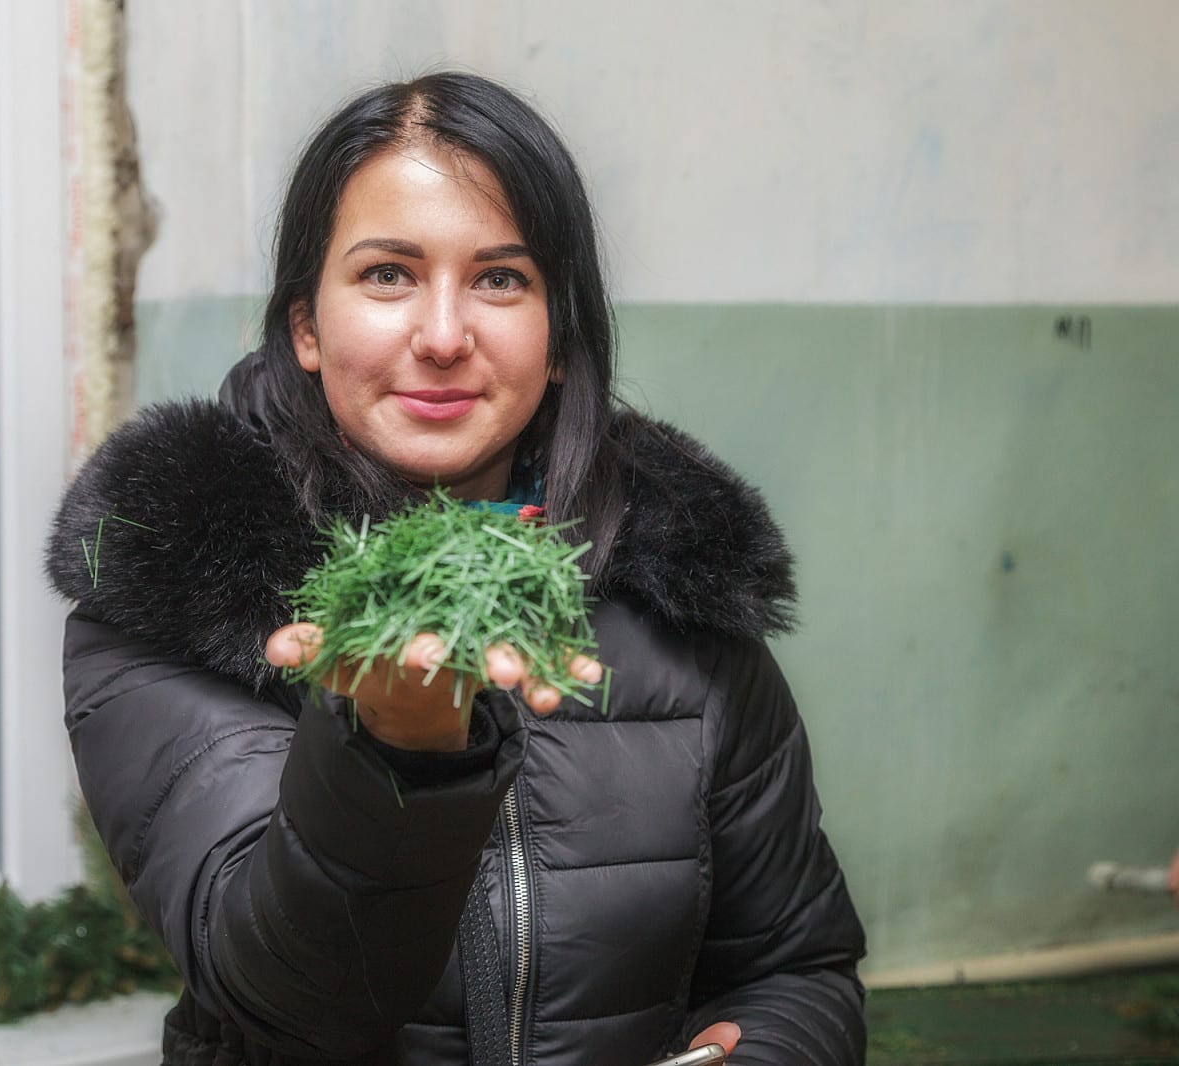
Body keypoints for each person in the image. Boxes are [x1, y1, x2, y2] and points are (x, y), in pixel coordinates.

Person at [47, 71, 866, 1065]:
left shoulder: (676, 586)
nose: (442, 337)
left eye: (500, 279)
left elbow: (795, 969)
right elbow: (283, 1005)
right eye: (388, 274)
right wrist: (392, 751)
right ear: (305, 323)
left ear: (560, 337)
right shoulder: (177, 576)